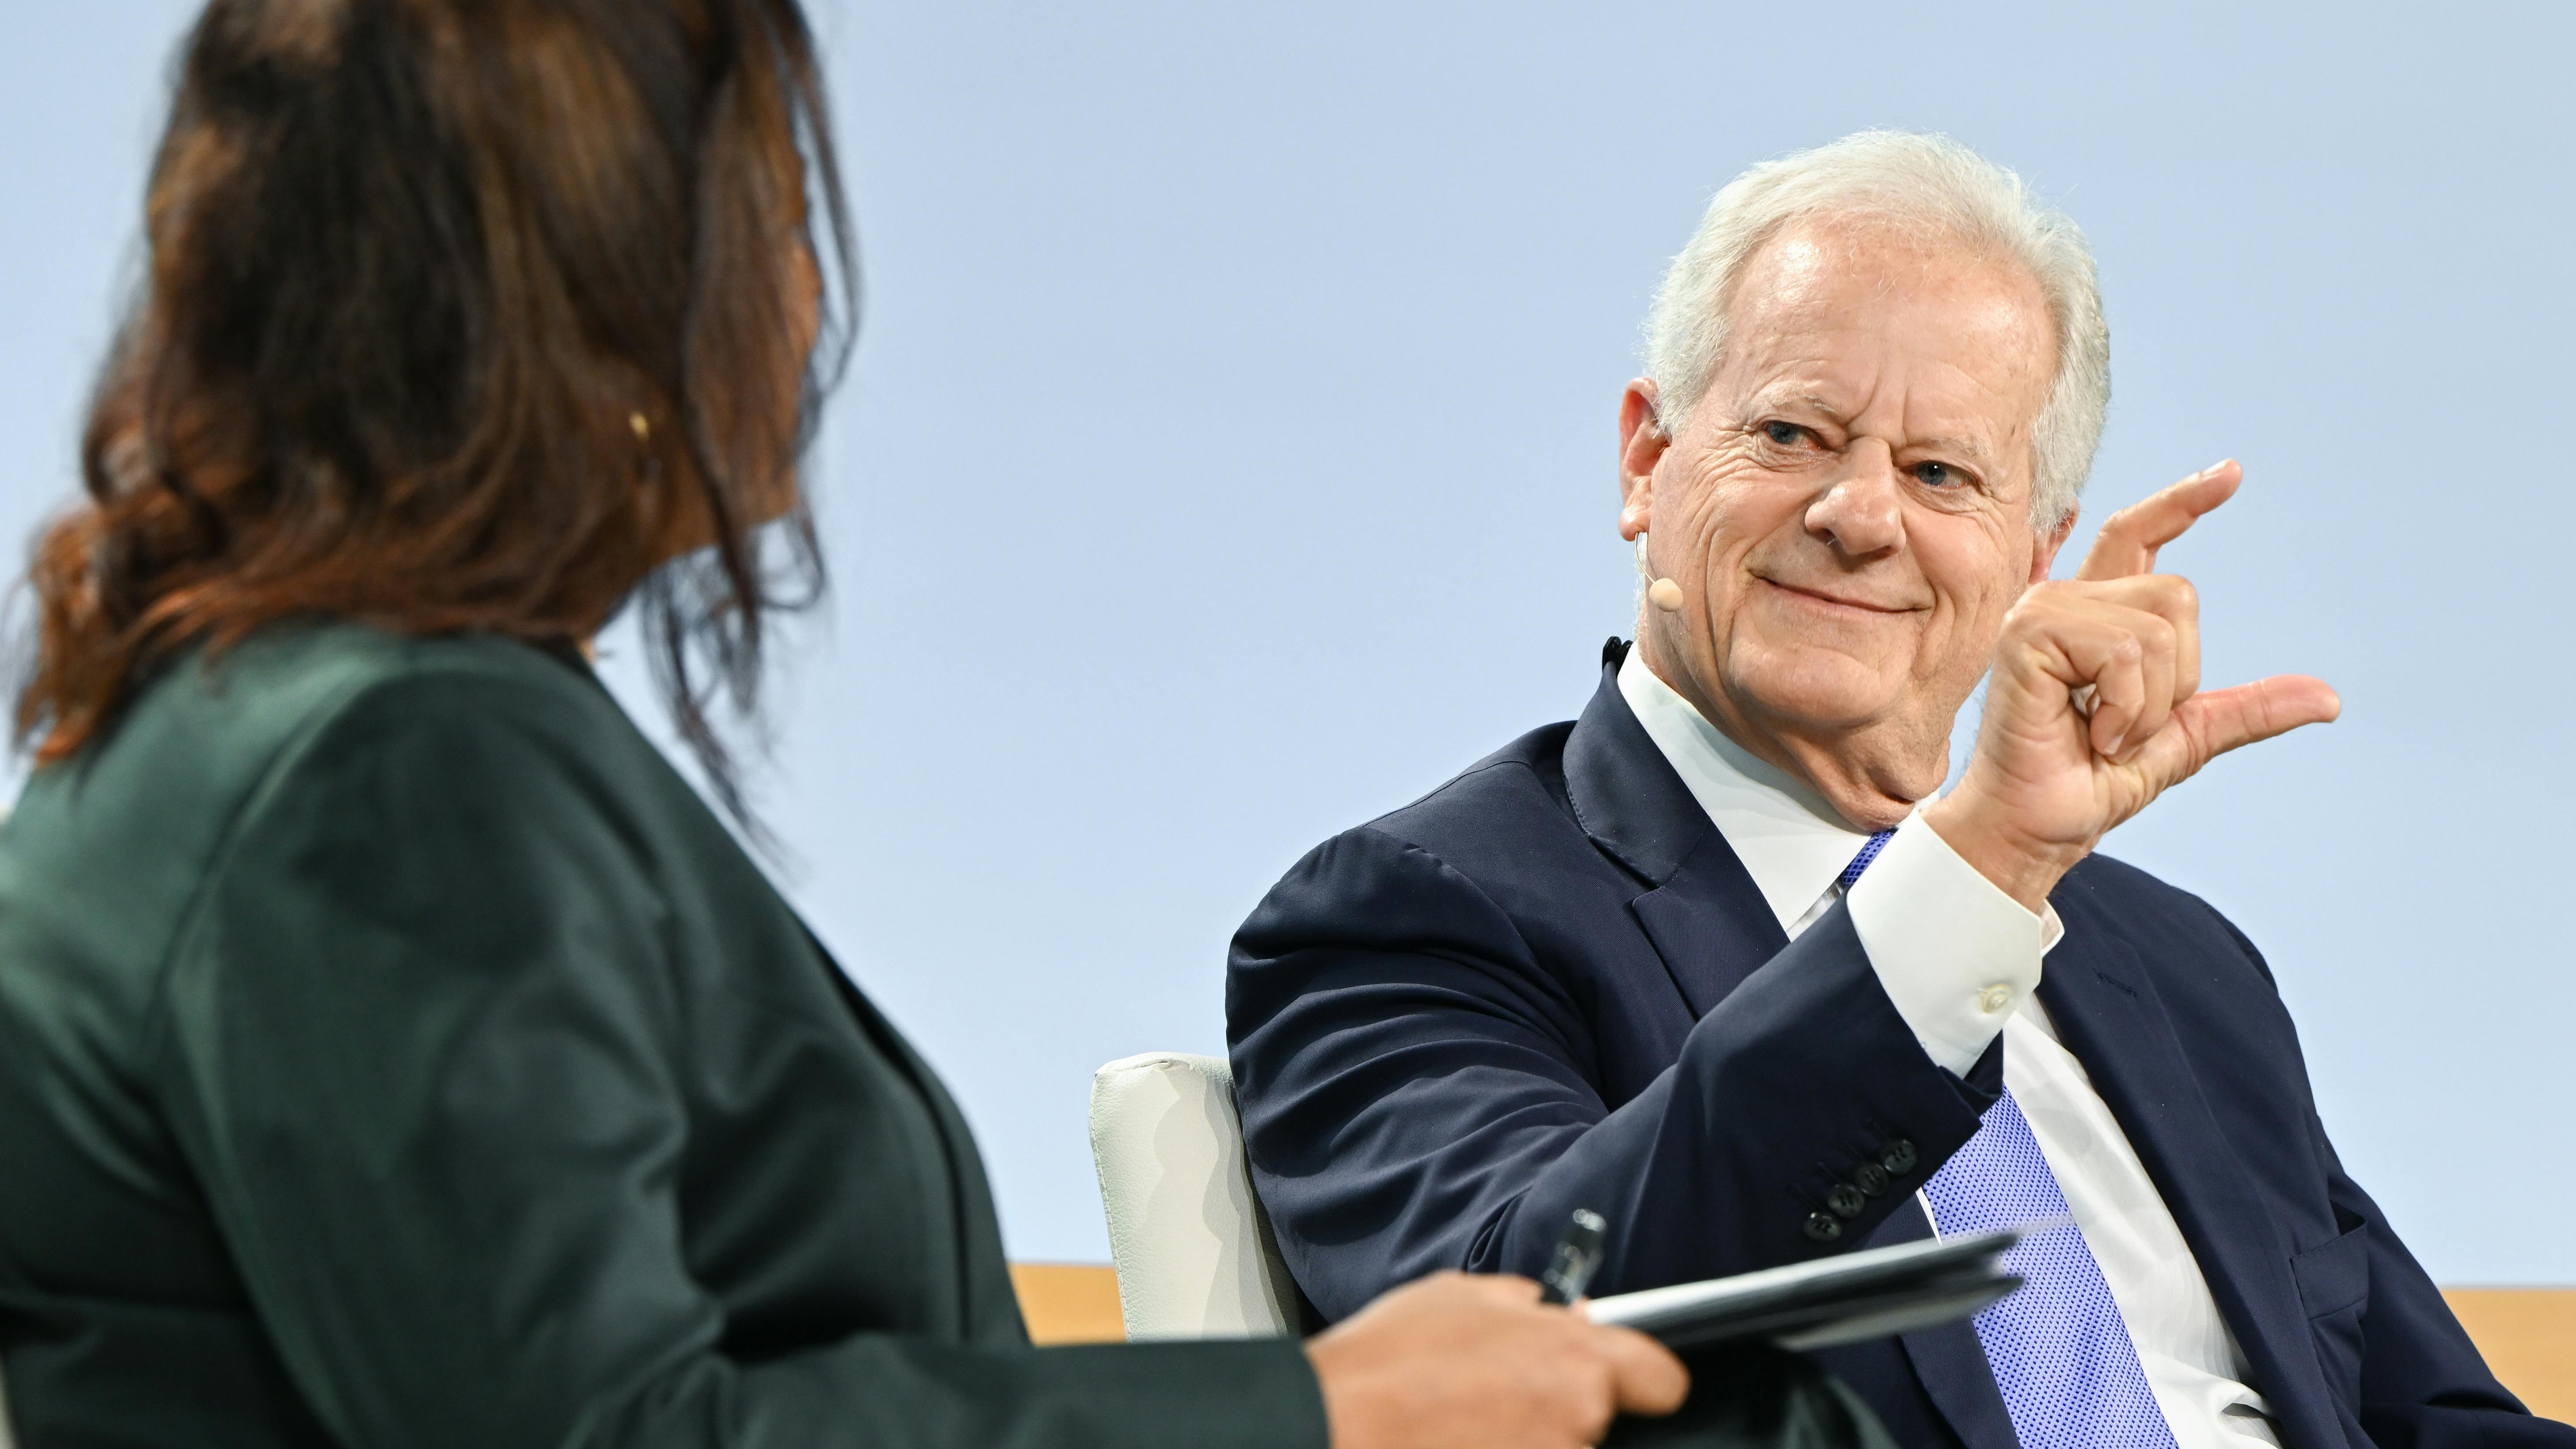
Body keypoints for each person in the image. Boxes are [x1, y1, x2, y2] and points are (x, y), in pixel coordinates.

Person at [0, 4, 1835, 1447]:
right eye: (775, 227)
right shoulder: (395, 776)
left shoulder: (242, 719)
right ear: (613, 311)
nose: (807, 303)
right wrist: (1327, 1408)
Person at [1227, 130, 2573, 1449]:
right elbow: (1522, 1340)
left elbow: (2429, 1417)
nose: (1862, 517)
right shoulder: (1416, 915)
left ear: (2034, 553)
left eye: (1941, 473)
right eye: (1797, 433)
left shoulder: (2183, 968)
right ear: (1647, 460)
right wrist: (1971, 875)